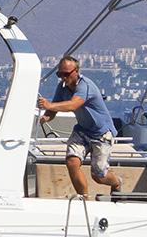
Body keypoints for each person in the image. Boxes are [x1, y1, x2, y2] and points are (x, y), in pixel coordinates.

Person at [37, 56, 123, 198]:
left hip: (101, 134)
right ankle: (83, 198)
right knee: (72, 161)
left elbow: (73, 104)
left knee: (99, 175)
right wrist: (46, 117)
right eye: (60, 74)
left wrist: (49, 105)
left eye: (66, 74)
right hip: (82, 130)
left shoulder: (85, 86)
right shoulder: (62, 88)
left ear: (76, 71)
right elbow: (53, 109)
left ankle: (117, 182)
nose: (63, 78)